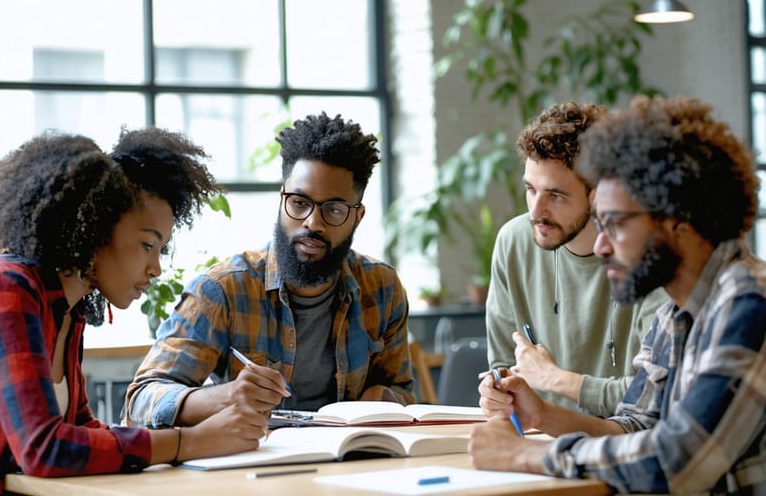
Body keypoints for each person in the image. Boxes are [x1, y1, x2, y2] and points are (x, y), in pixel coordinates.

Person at [0, 128, 268, 494]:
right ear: (96, 227)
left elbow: (80, 429)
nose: (156, 268)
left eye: (160, 250)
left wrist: (203, 434)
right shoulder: (0, 287)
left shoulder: (66, 312)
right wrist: (193, 441)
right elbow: (44, 449)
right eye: (146, 245)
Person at [471, 95, 766, 494]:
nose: (600, 247)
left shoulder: (749, 303)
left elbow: (676, 462)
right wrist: (543, 415)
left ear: (676, 220)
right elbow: (633, 427)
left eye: (615, 225)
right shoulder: (678, 314)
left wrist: (523, 456)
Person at [123, 112, 414, 429]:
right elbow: (140, 402)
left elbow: (405, 395)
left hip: (352, 464)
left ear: (357, 218)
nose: (312, 223)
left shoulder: (382, 287)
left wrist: (385, 398)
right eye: (299, 203)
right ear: (281, 199)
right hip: (253, 469)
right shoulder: (224, 290)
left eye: (333, 209)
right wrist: (229, 396)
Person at [485, 101, 667, 416]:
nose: (536, 212)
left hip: (626, 445)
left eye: (556, 195)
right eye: (531, 190)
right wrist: (497, 392)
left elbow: (653, 395)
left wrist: (555, 379)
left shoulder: (648, 253)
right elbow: (505, 368)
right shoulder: (514, 242)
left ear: (598, 193)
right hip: (542, 444)